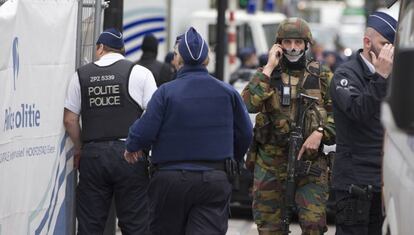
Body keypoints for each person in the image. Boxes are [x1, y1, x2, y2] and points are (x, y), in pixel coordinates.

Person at [124, 27, 253, 235]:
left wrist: (132, 146)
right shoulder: (228, 92)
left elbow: (144, 130)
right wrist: (234, 160)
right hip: (214, 180)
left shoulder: (165, 93)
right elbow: (246, 133)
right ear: (207, 61)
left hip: (170, 181)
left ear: (177, 60)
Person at [242, 17, 335, 234]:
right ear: (279, 45)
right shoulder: (266, 74)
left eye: (298, 43)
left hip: (309, 163)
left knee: (313, 226)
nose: (293, 48)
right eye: (287, 42)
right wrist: (268, 67)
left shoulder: (321, 75)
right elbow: (247, 104)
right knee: (269, 228)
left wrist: (321, 132)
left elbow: (339, 117)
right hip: (270, 163)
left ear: (306, 44)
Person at [63, 28, 157, 234]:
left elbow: (70, 120)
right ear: (122, 50)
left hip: (93, 156)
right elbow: (154, 116)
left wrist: (80, 150)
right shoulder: (140, 73)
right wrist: (141, 146)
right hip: (129, 154)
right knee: (135, 225)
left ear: (100, 48)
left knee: (90, 226)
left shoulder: (81, 75)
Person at [329, 11, 397, 235]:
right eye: (385, 44)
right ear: (367, 43)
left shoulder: (391, 76)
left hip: (382, 181)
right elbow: (358, 111)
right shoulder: (345, 74)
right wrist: (380, 77)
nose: (390, 52)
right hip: (354, 182)